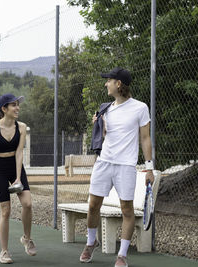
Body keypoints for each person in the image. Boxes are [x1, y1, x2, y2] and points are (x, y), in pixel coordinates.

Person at [79, 67, 155, 267]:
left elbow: (145, 138)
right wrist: (98, 126)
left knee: (126, 210)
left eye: (109, 80)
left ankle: (122, 255)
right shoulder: (106, 108)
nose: (106, 84)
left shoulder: (140, 108)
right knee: (93, 205)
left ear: (118, 84)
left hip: (126, 166)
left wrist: (149, 168)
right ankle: (91, 241)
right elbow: (105, 136)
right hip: (104, 162)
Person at [0, 93, 37, 264]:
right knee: (5, 210)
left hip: (16, 167)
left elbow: (20, 152)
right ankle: (4, 252)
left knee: (27, 203)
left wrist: (18, 177)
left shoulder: (21, 127)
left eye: (17, 104)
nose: (17, 108)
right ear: (4, 109)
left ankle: (26, 239)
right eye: (13, 105)